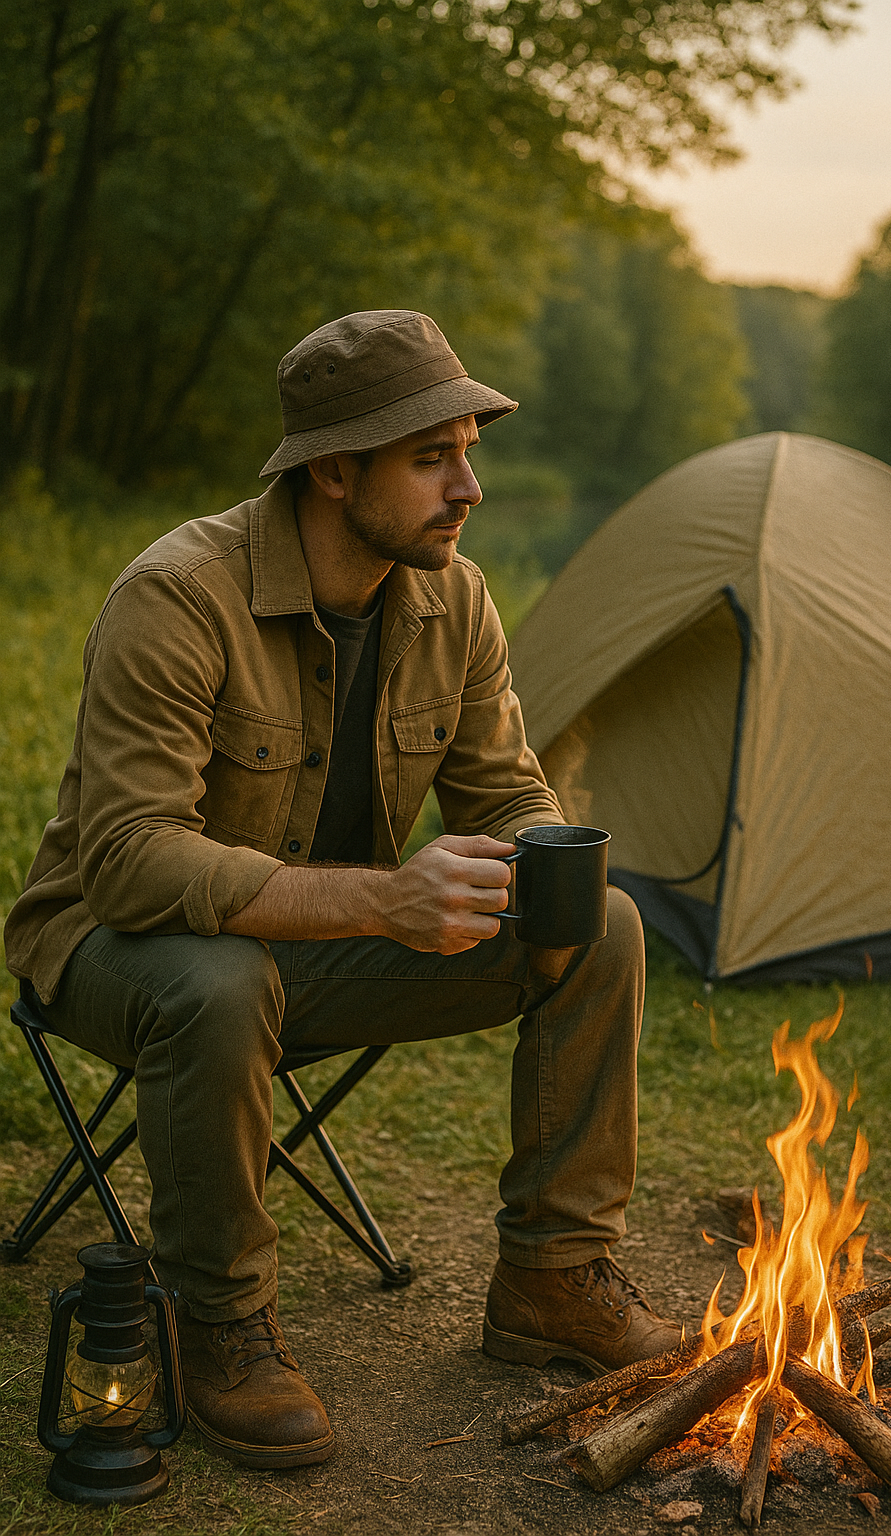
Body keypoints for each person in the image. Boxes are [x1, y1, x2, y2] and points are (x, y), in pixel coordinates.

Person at [4, 310, 679, 1470]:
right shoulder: (178, 596)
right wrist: (385, 903)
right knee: (218, 982)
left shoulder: (451, 600)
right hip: (119, 951)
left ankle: (552, 1279)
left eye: (469, 450)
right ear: (332, 470)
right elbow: (127, 861)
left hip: (309, 957)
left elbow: (506, 792)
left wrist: (539, 855)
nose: (468, 487)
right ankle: (219, 1324)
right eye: (432, 458)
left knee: (601, 924)